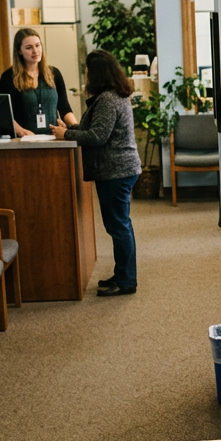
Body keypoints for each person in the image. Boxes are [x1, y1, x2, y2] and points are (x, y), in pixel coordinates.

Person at [51, 50, 141, 296]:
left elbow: (98, 137)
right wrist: (70, 127)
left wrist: (67, 134)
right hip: (119, 169)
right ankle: (124, 274)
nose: (86, 75)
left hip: (116, 171)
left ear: (97, 73)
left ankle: (126, 282)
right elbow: (98, 128)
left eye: (88, 71)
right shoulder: (112, 96)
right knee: (120, 225)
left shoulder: (109, 99)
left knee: (119, 226)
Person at [0, 27, 79, 137]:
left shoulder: (54, 73)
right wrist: (21, 132)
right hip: (24, 140)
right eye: (29, 47)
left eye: (37, 45)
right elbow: (5, 113)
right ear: (19, 51)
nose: (35, 51)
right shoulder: (8, 77)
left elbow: (64, 107)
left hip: (53, 137)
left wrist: (77, 129)